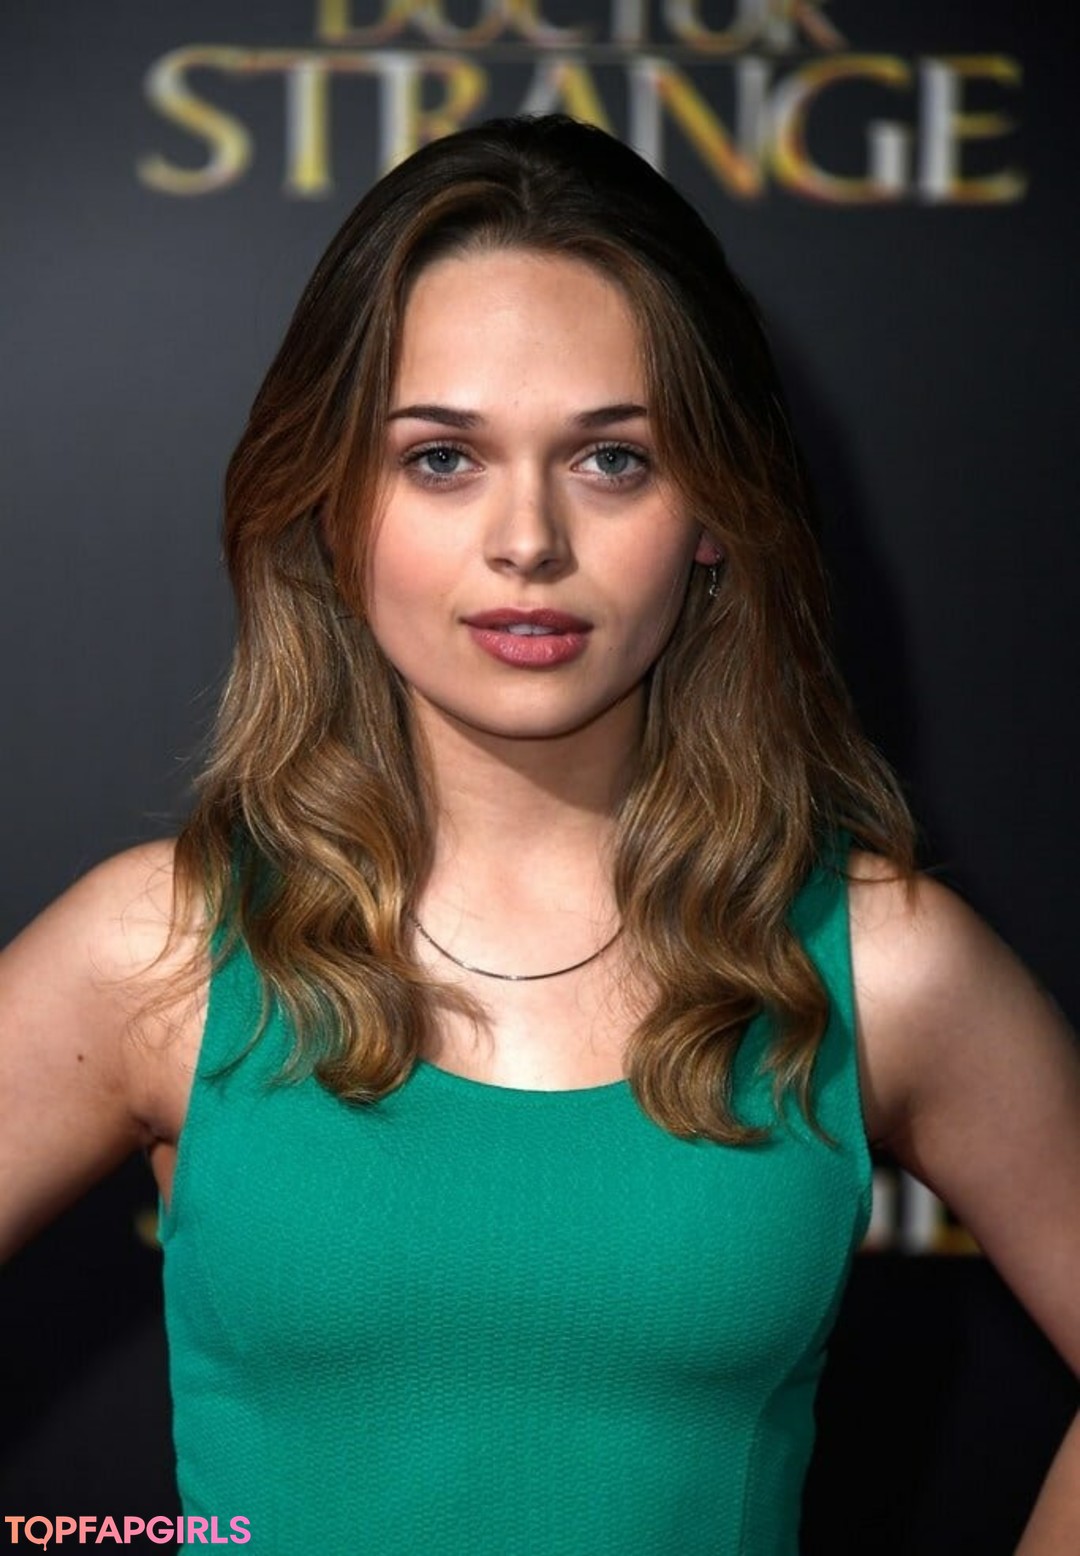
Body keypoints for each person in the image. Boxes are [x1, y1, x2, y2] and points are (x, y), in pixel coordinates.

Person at [0, 113, 1076, 1555]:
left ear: (715, 510)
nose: (528, 540)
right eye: (442, 457)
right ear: (332, 502)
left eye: (613, 460)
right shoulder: (166, 949)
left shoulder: (878, 961)